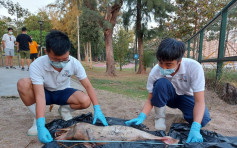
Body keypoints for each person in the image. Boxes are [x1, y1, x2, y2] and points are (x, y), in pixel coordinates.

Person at [17, 30, 108, 144]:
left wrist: (97, 108)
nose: (60, 62)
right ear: (47, 52)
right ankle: (37, 120)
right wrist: (41, 125)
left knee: (85, 100)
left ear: (68, 51)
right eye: (55, 59)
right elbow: (40, 95)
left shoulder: (74, 63)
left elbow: (88, 86)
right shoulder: (37, 65)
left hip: (63, 92)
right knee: (23, 83)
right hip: (45, 93)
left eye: (64, 59)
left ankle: (64, 110)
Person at [125, 38, 211, 143]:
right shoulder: (155, 71)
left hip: (187, 97)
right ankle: (159, 117)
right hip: (168, 98)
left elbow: (199, 101)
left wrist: (196, 128)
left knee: (202, 120)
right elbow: (150, 99)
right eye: (161, 63)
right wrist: (142, 116)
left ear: (179, 61)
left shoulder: (194, 67)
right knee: (161, 83)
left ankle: (187, 114)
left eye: (168, 64)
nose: (163, 68)